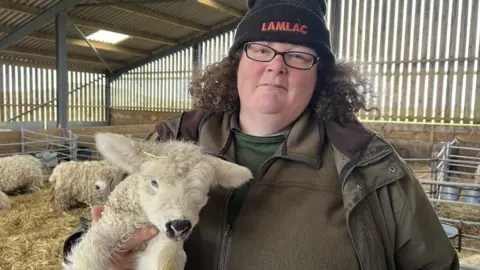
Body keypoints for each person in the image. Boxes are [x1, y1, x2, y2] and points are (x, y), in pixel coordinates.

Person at [62, 0, 460, 269]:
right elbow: (101, 224)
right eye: (261, 49)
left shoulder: (369, 167)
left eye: (299, 54)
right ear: (236, 63)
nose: (277, 67)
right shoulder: (171, 142)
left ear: (320, 74)